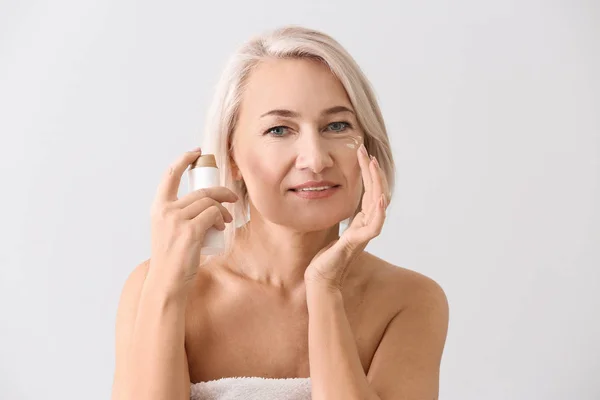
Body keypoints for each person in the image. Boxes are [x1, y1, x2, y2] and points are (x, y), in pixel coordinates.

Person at [110, 25, 449, 400]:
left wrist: (324, 288)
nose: (316, 160)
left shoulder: (409, 300)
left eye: (337, 126)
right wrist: (167, 287)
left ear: (367, 146)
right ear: (232, 156)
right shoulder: (155, 285)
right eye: (279, 130)